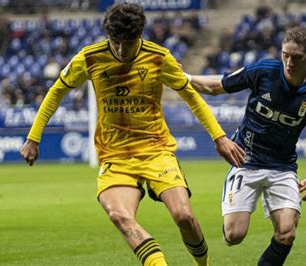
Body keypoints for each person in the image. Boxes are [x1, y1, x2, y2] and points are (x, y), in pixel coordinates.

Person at [20, 3, 245, 265]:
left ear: (139, 36)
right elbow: (56, 91)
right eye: (116, 42)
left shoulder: (158, 57)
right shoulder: (89, 57)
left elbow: (192, 97)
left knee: (184, 216)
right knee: (120, 216)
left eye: (128, 43)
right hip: (115, 156)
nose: (121, 50)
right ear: (109, 36)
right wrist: (33, 137)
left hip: (156, 150)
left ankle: (203, 263)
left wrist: (219, 138)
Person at [188, 26, 306, 265]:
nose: (289, 62)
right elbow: (214, 87)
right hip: (245, 159)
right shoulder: (263, 71)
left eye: (296, 57)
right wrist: (180, 78)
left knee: (287, 232)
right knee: (234, 236)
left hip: (282, 167)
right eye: (285, 54)